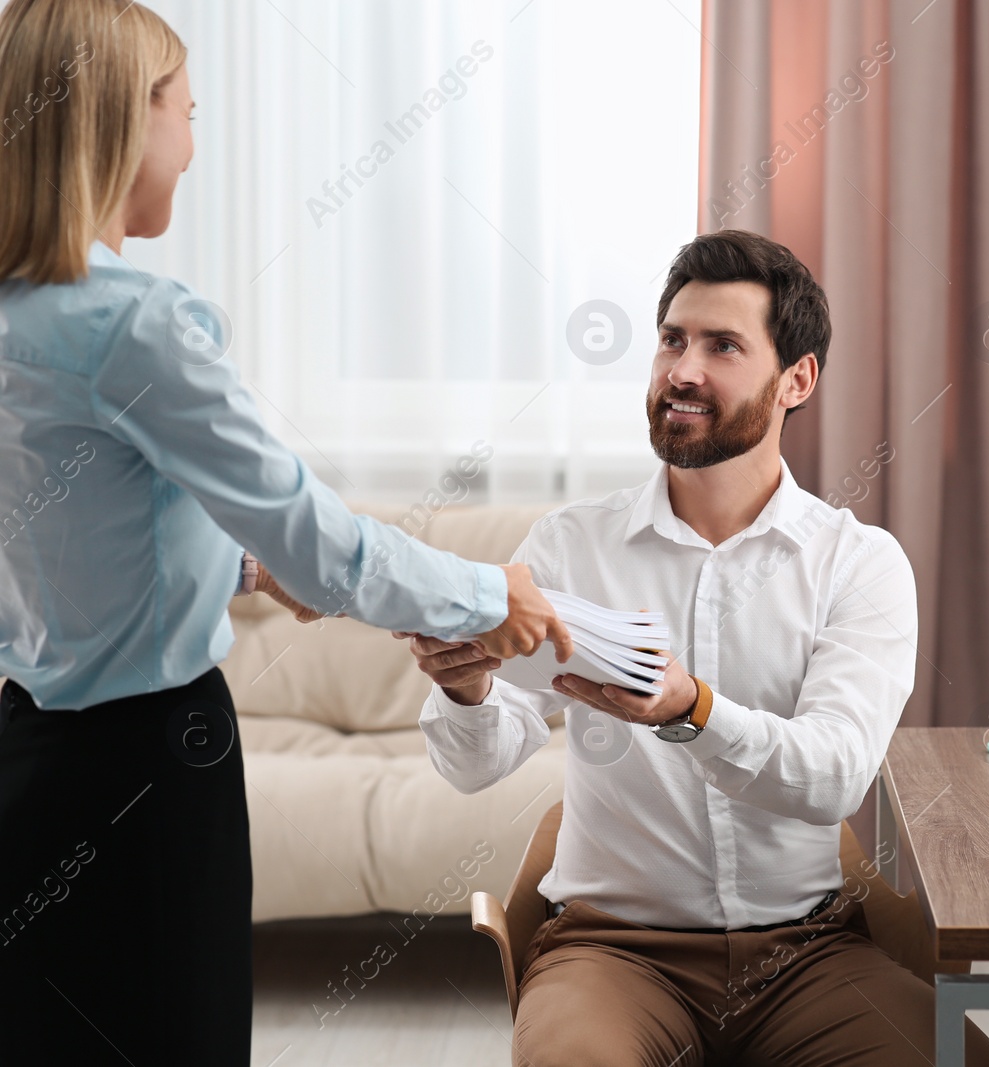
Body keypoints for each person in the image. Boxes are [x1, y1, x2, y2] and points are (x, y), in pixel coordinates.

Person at [0, 3, 570, 1063]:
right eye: (188, 110)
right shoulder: (135, 323)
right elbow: (333, 548)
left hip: (29, 761)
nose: (196, 142)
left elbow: (75, 533)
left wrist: (248, 564)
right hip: (155, 769)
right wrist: (498, 595)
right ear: (126, 124)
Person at [408, 229, 989, 1065]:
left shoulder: (858, 563)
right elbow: (474, 763)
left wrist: (692, 710)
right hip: (612, 951)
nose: (681, 370)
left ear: (796, 378)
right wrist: (467, 690)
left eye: (723, 346)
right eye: (672, 341)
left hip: (808, 954)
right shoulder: (571, 545)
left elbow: (835, 771)